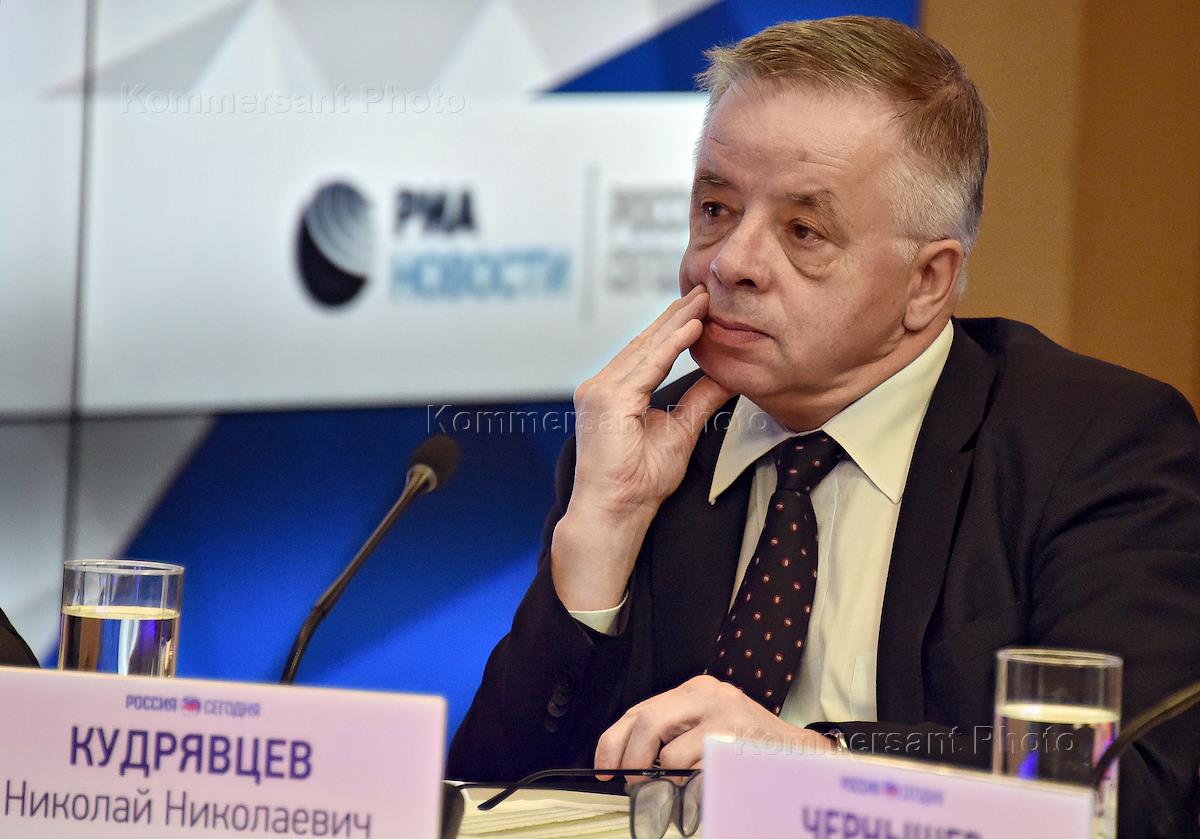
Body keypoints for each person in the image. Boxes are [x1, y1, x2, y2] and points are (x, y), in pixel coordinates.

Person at [448, 16, 1200, 837]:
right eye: (715, 207)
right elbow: (485, 801)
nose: (729, 262)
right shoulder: (647, 451)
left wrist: (814, 763)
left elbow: (1130, 788)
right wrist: (597, 539)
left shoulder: (1093, 447)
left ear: (927, 282)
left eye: (803, 231)